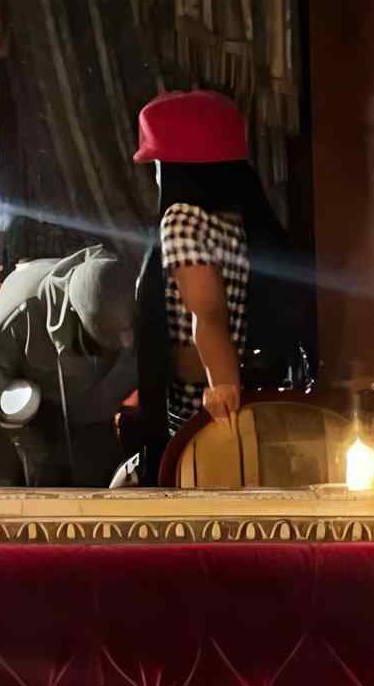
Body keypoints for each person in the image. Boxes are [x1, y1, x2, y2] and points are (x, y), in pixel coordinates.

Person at [116, 88, 309, 483]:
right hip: (246, 407)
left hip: (200, 412)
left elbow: (207, 312)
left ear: (173, 168)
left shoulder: (182, 219)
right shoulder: (237, 222)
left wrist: (222, 388)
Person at [0, 243, 136, 484]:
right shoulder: (19, 312)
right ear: (74, 314)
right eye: (103, 339)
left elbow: (131, 364)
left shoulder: (121, 296)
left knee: (104, 482)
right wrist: (21, 417)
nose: (121, 344)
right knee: (41, 484)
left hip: (93, 409)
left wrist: (99, 406)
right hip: (35, 412)